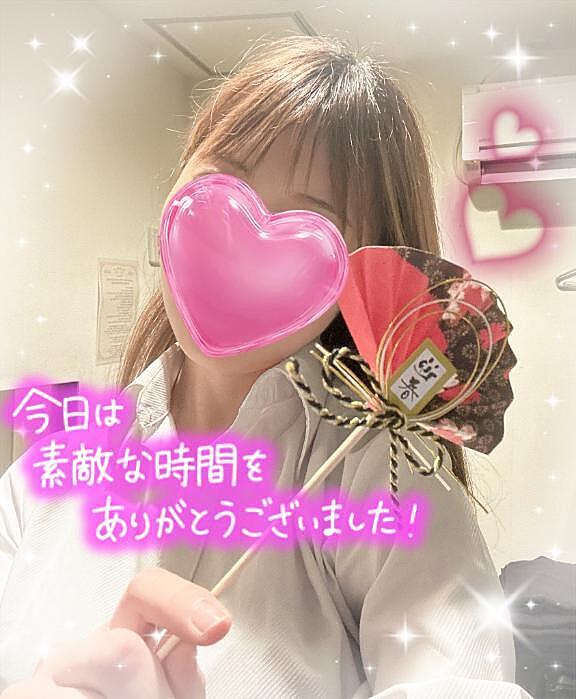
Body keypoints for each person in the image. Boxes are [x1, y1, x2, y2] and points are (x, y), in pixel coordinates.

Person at [0, 35, 533, 698]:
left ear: (361, 279)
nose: (239, 249)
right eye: (221, 177)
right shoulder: (41, 483)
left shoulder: (383, 482)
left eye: (310, 221)